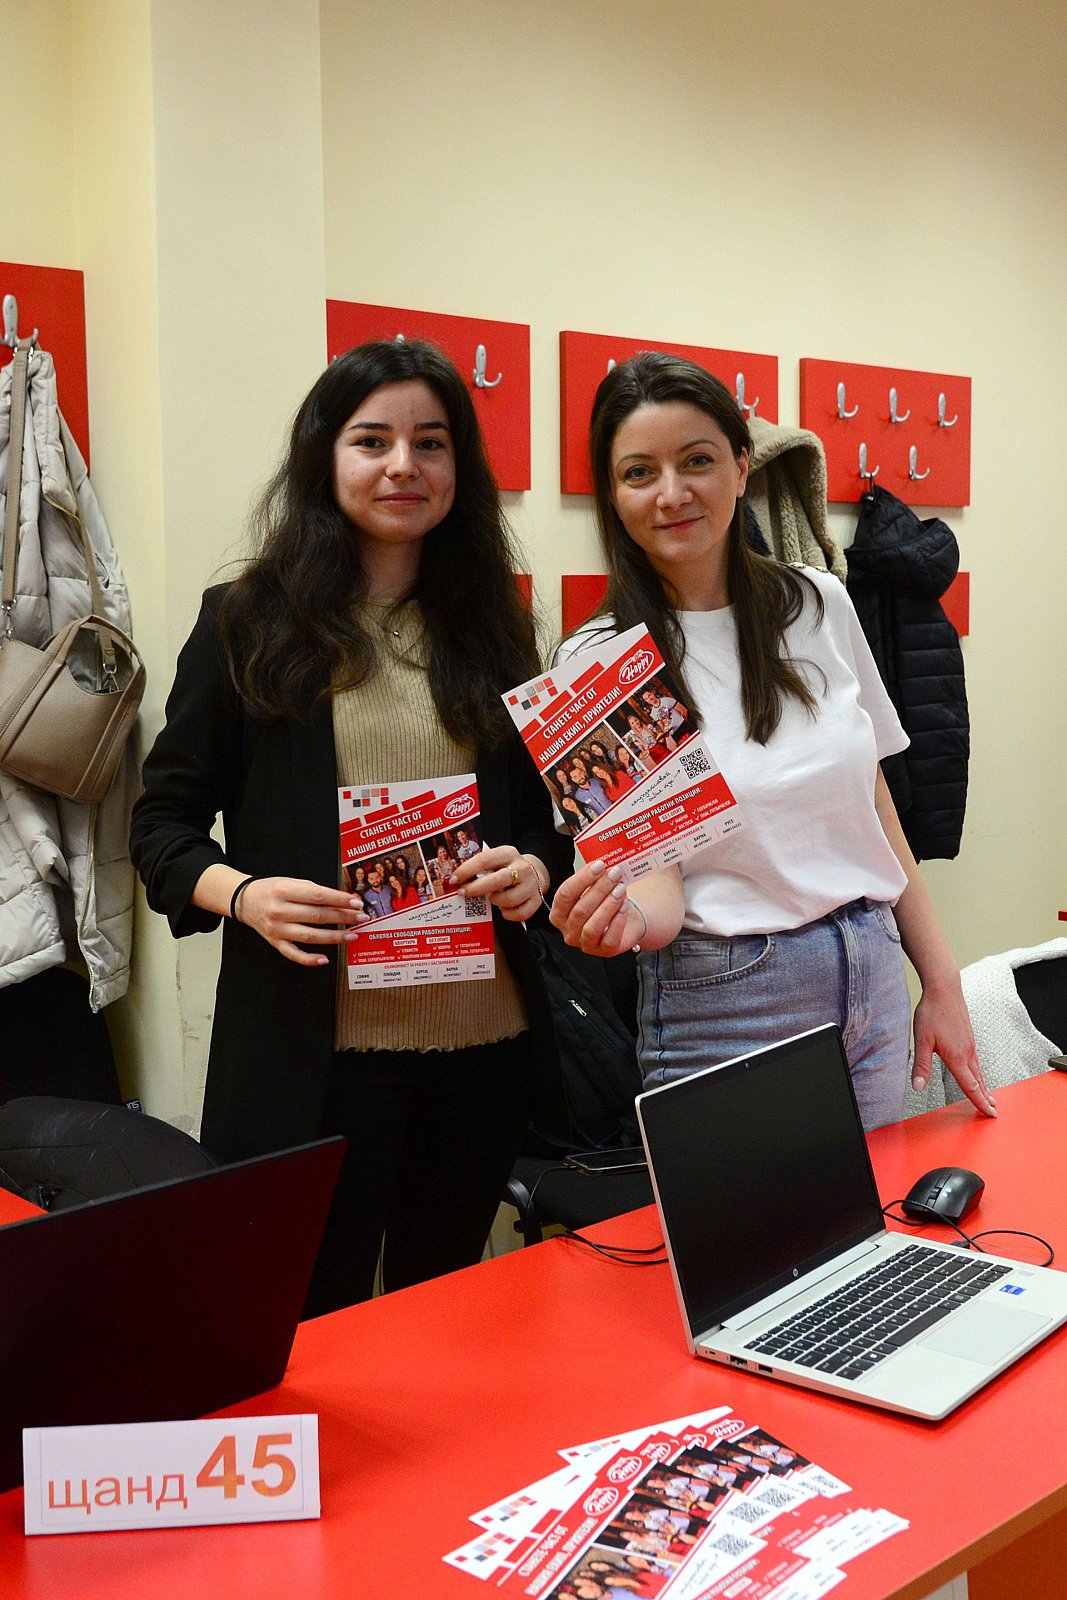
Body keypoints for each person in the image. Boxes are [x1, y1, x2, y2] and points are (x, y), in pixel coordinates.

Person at [131, 338, 569, 1314]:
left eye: (431, 442)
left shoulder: (494, 625)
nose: (403, 466)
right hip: (315, 1056)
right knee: (308, 1323)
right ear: (324, 457)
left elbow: (548, 823)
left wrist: (535, 869)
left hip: (482, 1048)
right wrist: (244, 894)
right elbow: (160, 825)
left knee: (445, 1314)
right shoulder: (247, 620)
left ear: (459, 465)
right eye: (372, 441)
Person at [549, 352, 994, 1130]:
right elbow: (655, 889)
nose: (671, 493)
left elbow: (872, 806)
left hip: (871, 971)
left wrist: (940, 979)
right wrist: (620, 923)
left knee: (879, 1208)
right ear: (612, 495)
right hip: (728, 1000)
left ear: (741, 466)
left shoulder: (816, 600)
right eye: (638, 473)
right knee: (751, 1218)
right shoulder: (598, 663)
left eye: (696, 461)